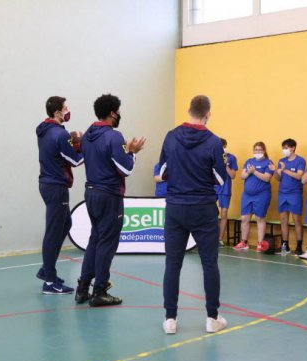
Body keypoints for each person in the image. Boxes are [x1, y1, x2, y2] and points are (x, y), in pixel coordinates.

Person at [158, 95, 228, 334]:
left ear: (189, 110)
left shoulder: (171, 136)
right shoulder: (214, 141)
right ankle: (212, 318)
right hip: (203, 208)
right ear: (208, 113)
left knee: (173, 263)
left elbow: (163, 171)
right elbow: (220, 178)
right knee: (209, 264)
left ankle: (170, 319)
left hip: (176, 207)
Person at [74, 94, 146, 306]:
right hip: (109, 195)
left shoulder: (88, 134)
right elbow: (125, 168)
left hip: (91, 192)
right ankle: (100, 291)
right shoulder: (114, 136)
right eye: (119, 111)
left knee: (95, 239)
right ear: (112, 113)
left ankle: (82, 288)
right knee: (107, 242)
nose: (120, 114)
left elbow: (82, 154)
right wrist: (132, 152)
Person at [35, 96, 84, 295]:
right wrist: (88, 147)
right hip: (56, 186)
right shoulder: (59, 134)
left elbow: (58, 149)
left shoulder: (43, 129)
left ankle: (47, 270)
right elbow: (75, 160)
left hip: (47, 184)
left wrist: (71, 140)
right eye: (65, 108)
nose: (67, 111)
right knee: (53, 232)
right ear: (57, 112)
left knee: (66, 224)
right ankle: (49, 281)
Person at [233, 142, 274, 252]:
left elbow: (266, 178)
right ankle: (244, 242)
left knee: (260, 218)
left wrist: (254, 171)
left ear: (264, 151)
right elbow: (242, 176)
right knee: (244, 218)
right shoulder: (249, 161)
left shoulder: (268, 162)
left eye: (260, 150)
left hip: (261, 195)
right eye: (255, 150)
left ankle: (260, 244)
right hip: (247, 195)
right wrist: (248, 172)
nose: (257, 152)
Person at [274, 139, 307, 256]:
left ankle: (299, 246)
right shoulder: (281, 161)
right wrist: (275, 172)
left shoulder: (300, 160)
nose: (284, 150)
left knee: (297, 220)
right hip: (282, 193)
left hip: (295, 193)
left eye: (286, 147)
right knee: (283, 220)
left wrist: (285, 170)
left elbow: (299, 176)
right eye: (283, 148)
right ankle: (285, 245)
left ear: (293, 148)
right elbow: (278, 178)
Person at [215, 138, 238, 247]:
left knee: (224, 213)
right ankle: (210, 237)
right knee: (211, 213)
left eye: (223, 147)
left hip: (225, 189)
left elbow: (233, 175)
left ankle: (220, 238)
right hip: (212, 188)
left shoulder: (232, 158)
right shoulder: (212, 156)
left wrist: (226, 165)